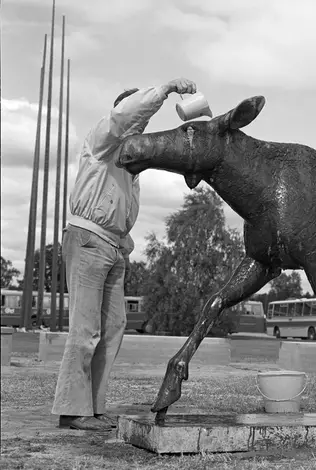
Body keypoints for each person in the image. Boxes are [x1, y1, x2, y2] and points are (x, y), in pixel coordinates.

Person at [52, 78, 197, 431]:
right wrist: (164, 90)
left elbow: (121, 210)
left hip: (113, 247)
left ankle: (93, 408)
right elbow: (124, 117)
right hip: (88, 241)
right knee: (85, 329)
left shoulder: (128, 162)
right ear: (125, 115)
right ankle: (72, 411)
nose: (142, 128)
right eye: (139, 120)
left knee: (113, 328)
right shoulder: (103, 137)